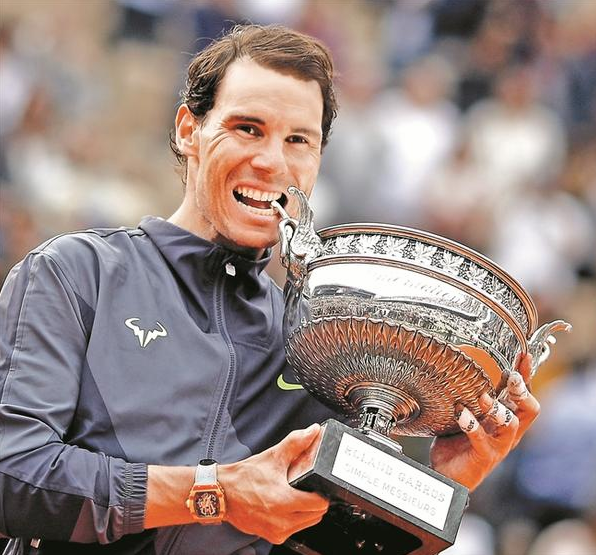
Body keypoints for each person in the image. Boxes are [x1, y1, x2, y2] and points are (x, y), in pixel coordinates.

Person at [0, 24, 540, 555]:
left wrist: (432, 492)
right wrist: (214, 495)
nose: (272, 162)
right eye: (248, 128)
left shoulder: (316, 349)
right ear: (189, 130)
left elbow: (326, 548)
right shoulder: (78, 274)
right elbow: (11, 474)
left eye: (298, 140)